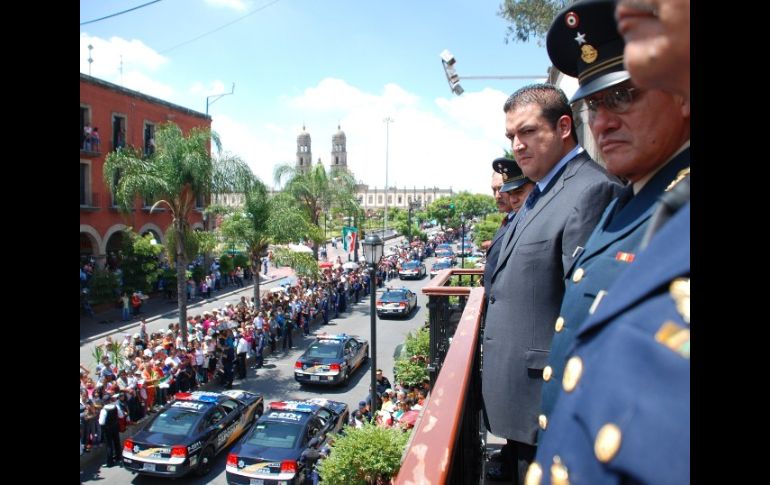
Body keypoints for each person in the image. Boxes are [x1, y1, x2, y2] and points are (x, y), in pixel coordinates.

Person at [524, 1, 690, 483]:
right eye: (595, 104)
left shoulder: (674, 206)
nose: (602, 122)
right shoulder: (631, 198)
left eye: (624, 97)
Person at [482, 83, 621, 482]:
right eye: (511, 136)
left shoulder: (591, 190)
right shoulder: (543, 192)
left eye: (527, 132)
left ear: (563, 127)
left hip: (548, 408)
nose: (517, 146)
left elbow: (587, 317)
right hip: (523, 410)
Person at [482, 158, 533, 306]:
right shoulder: (509, 219)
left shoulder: (524, 219)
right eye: (494, 190)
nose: (498, 195)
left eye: (501, 189)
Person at [98, 393, 124, 467]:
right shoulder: (116, 407)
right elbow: (121, 416)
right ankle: (118, 457)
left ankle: (110, 462)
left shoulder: (104, 410)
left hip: (107, 429)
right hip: (115, 427)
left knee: (109, 445)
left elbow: (101, 422)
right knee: (117, 442)